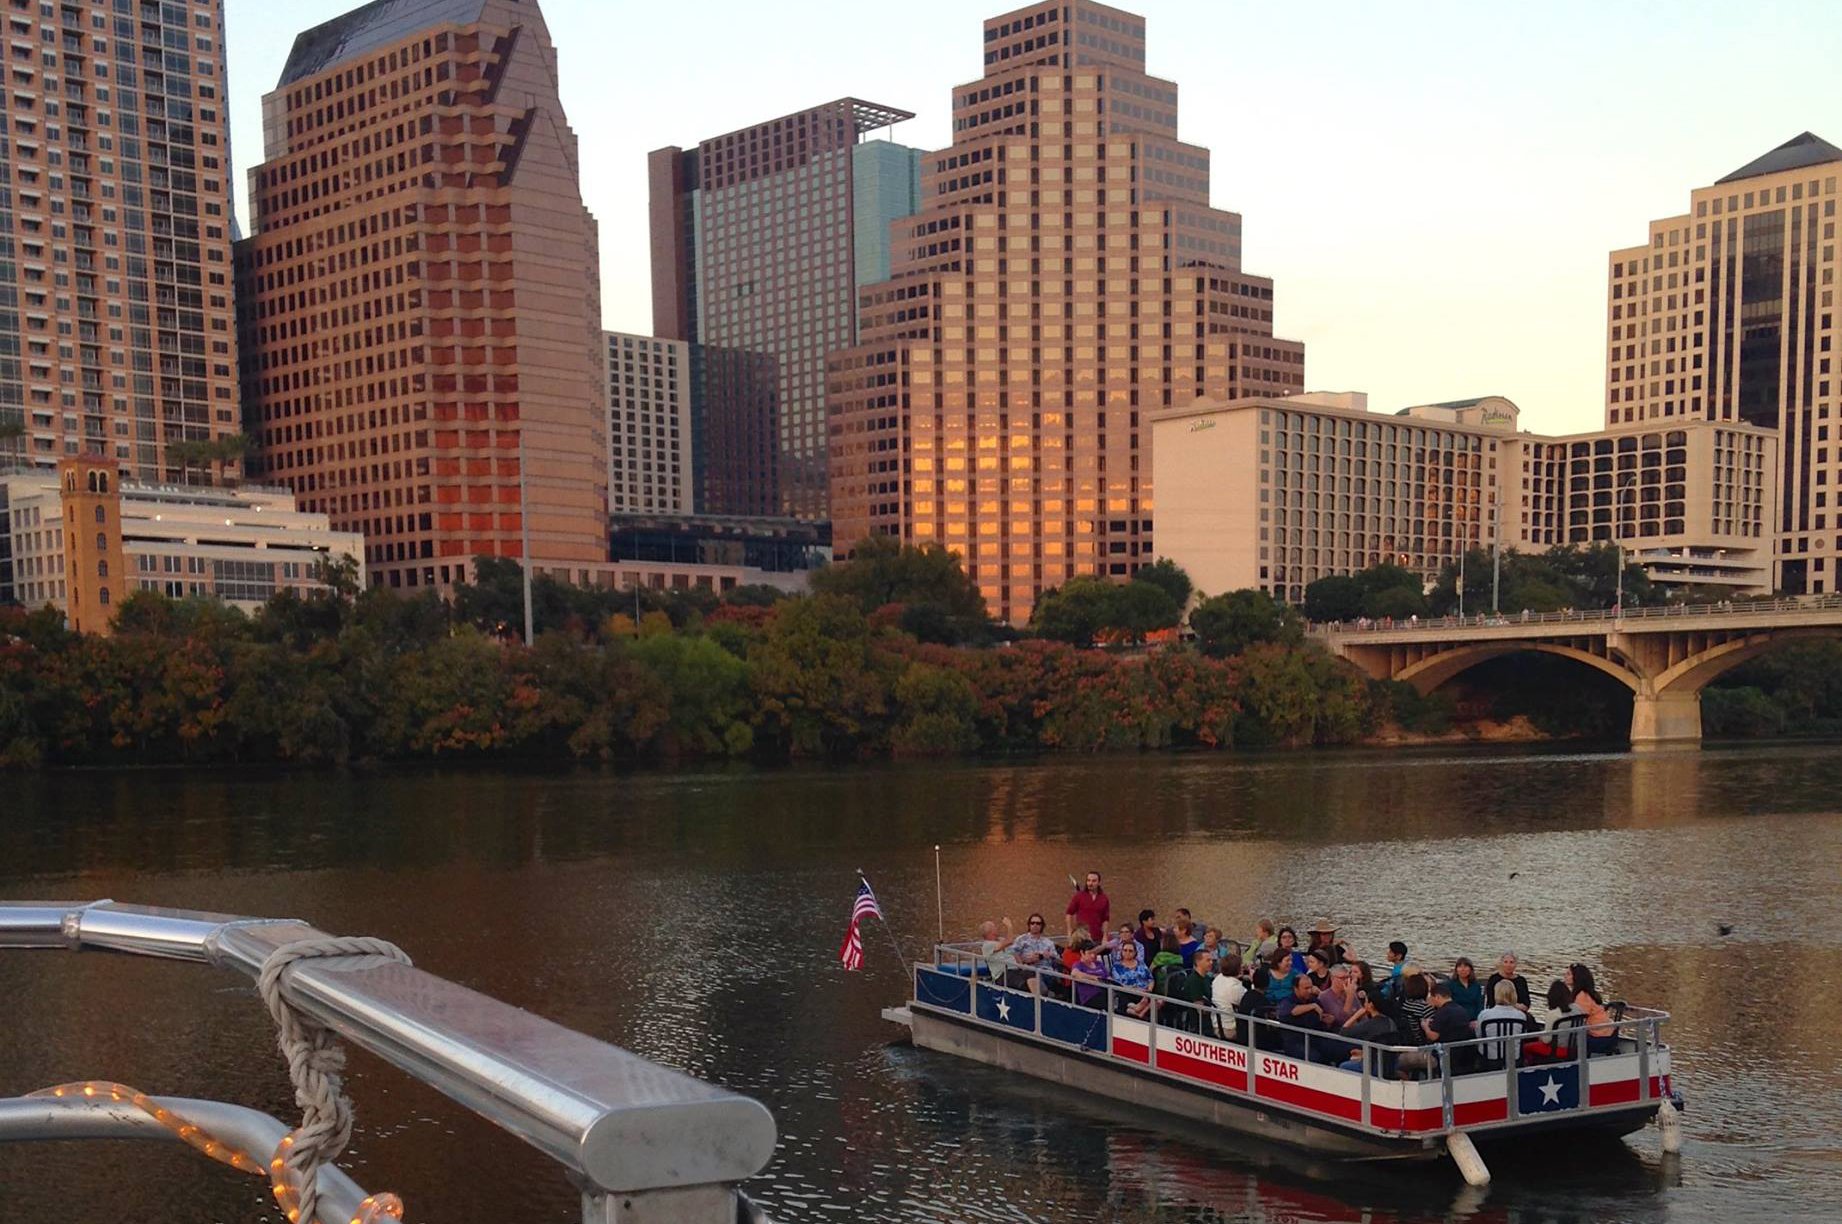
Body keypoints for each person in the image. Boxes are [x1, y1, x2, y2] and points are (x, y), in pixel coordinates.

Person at [1337, 990, 1400, 1072]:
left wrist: (1357, 1015)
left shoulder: (1369, 1024)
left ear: (1371, 1005)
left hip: (1373, 1065)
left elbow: (1343, 1032)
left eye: (1366, 1002)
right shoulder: (1390, 1021)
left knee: (1343, 1066)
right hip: (1390, 1063)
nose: (1364, 1004)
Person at [1475, 980, 1532, 1065]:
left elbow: (1478, 1035)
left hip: (1490, 1057)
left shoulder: (1484, 1015)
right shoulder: (1521, 1016)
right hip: (1514, 1057)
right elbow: (1522, 1037)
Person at [1567, 963, 1619, 1054]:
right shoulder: (1589, 993)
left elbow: (1579, 1020)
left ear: (1577, 978)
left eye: (1568, 974)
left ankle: (1575, 1064)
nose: (1565, 977)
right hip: (1608, 1034)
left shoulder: (1581, 996)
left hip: (1599, 1039)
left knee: (1566, 1038)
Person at [1522, 980, 1578, 1062]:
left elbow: (1546, 1040)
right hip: (1574, 1048)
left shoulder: (1553, 1014)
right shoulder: (1577, 1008)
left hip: (1557, 1050)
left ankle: (1531, 1068)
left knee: (1525, 1047)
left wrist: (1539, 1036)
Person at [1276, 974, 1329, 1061]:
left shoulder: (1314, 1000)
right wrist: (1312, 1006)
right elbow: (1292, 1011)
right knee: (1314, 1057)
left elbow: (1320, 1018)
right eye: (1306, 988)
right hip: (1295, 1041)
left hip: (1315, 1038)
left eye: (1310, 988)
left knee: (1334, 1050)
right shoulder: (1287, 1001)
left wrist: (1327, 1020)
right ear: (1296, 988)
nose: (1309, 991)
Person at [1008, 913, 1059, 995]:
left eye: (1038, 923)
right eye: (1032, 923)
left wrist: (1049, 955)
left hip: (1048, 972)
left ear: (1042, 926)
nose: (1035, 925)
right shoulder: (1022, 939)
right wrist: (1026, 960)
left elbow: (1058, 959)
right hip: (1030, 971)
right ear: (1029, 925)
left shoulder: (1048, 942)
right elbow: (1012, 954)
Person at [1110, 937, 1154, 1017]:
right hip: (1128, 992)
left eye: (1130, 951)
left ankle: (1139, 1012)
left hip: (1144, 993)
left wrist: (1149, 990)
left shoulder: (1141, 964)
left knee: (1159, 1000)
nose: (1127, 953)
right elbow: (1118, 984)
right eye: (1125, 950)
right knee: (1122, 995)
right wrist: (1135, 989)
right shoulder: (1117, 966)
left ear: (1135, 953)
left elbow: (1150, 979)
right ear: (1121, 952)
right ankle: (1136, 1009)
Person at [1065, 871, 1110, 942]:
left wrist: (1105, 936)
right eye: (1088, 880)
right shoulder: (1079, 896)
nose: (1090, 883)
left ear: (1099, 882)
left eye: (1093, 881)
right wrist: (1069, 931)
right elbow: (1069, 913)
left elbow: (1105, 919)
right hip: (1081, 937)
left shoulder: (1104, 899)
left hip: (1097, 937)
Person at [1211, 953, 1246, 1036]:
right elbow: (1247, 1001)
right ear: (1238, 969)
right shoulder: (1235, 988)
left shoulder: (1218, 978)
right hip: (1230, 1029)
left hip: (1216, 1024)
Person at [1070, 939, 1110, 1010]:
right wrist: (1094, 978)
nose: (1092, 956)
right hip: (1090, 997)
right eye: (1090, 953)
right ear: (1082, 952)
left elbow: (1108, 978)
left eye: (1094, 953)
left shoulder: (1099, 964)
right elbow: (1074, 973)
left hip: (1106, 993)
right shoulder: (1079, 965)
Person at [1318, 962, 1357, 1028]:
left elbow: (1363, 1017)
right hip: (1338, 1034)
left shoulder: (1351, 993)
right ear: (1332, 978)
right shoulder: (1324, 997)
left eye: (1347, 977)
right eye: (1342, 978)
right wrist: (1349, 998)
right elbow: (1342, 1021)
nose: (1346, 981)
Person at [1149, 930, 1187, 996]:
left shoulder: (1159, 957)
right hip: (1175, 992)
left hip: (1159, 991)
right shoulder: (1180, 958)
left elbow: (1150, 971)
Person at [1447, 957, 1485, 1021]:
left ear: (1470, 969)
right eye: (1460, 967)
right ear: (1456, 969)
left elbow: (1479, 1004)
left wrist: (1476, 1020)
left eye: (1465, 966)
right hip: (1456, 1018)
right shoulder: (1450, 985)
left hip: (1474, 1019)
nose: (1463, 969)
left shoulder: (1476, 985)